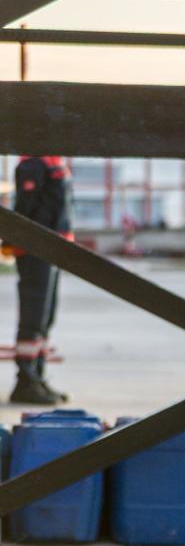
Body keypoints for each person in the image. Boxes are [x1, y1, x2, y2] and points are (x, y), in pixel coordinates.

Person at [10, 155, 72, 404]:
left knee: (46, 318)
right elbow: (25, 206)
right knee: (33, 317)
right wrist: (12, 240)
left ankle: (37, 377)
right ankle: (25, 381)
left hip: (53, 249)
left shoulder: (53, 160)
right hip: (34, 249)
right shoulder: (33, 163)